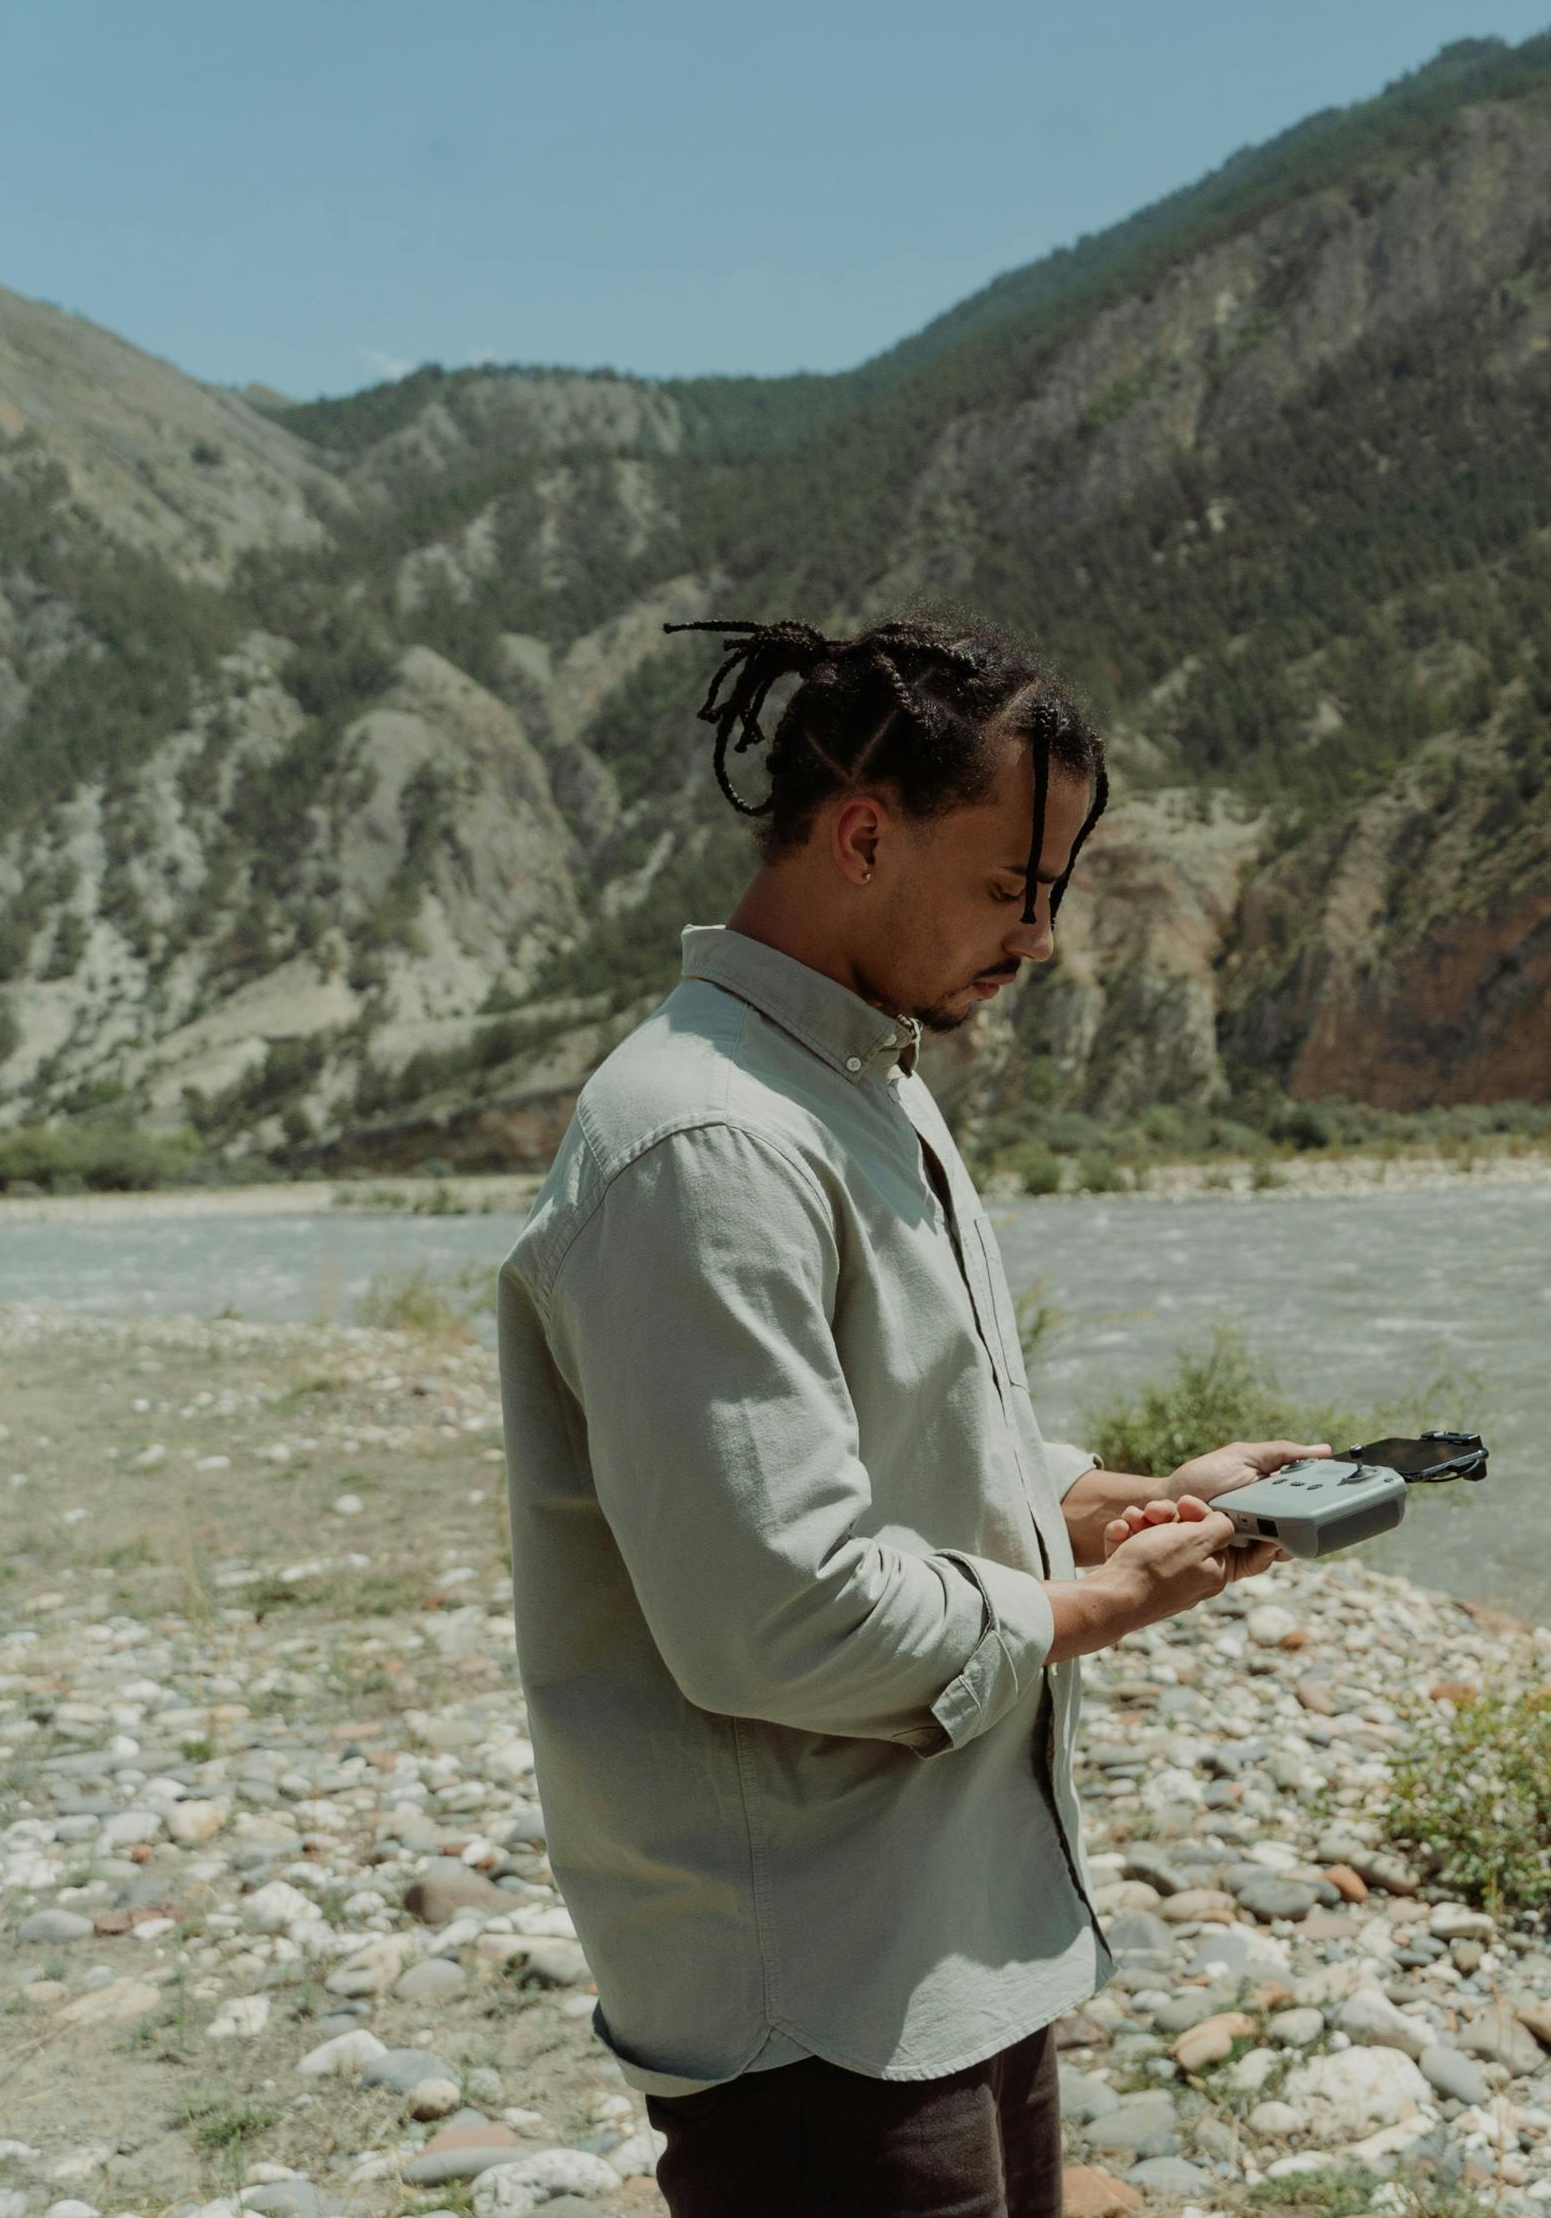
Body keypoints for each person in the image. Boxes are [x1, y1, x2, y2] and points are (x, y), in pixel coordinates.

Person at [496, 615, 1318, 2217]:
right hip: (815, 1996)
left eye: (1057, 891)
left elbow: (920, 1439)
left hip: (939, 1935)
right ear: (864, 833)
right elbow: (777, 1612)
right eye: (1017, 887)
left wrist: (1131, 1492)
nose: (1045, 939)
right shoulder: (703, 1140)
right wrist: (1098, 1602)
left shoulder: (863, 1084)